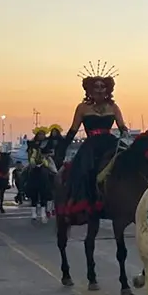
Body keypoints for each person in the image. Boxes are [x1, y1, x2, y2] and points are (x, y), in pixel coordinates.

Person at [59, 67, 128, 223]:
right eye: (96, 87)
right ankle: (77, 202)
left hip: (109, 141)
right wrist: (62, 147)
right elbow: (73, 130)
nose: (99, 90)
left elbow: (122, 126)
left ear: (108, 89)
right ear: (89, 89)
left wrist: (125, 132)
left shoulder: (113, 107)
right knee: (81, 170)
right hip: (91, 145)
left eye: (102, 87)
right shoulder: (82, 108)